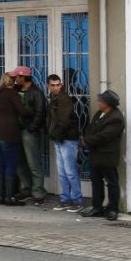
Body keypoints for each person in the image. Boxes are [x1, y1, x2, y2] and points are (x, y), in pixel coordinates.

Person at [80, 90, 125, 220]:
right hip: (95, 155)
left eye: (101, 101)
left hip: (107, 156)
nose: (98, 102)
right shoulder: (100, 113)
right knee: (96, 182)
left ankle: (112, 209)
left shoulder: (116, 117)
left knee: (112, 183)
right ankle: (97, 208)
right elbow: (91, 129)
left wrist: (87, 140)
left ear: (108, 103)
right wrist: (87, 137)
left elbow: (105, 136)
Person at [0, 72, 28, 206]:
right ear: (12, 81)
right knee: (11, 163)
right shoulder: (11, 93)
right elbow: (22, 111)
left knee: (0, 163)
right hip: (8, 132)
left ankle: (1, 195)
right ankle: (9, 197)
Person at [46, 73, 83, 211]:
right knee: (63, 172)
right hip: (61, 138)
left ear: (61, 84)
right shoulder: (54, 98)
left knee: (70, 171)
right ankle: (66, 199)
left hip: (67, 138)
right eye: (53, 85)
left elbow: (64, 121)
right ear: (48, 86)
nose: (56, 88)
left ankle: (77, 200)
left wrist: (56, 135)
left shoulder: (63, 99)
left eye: (58, 85)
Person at [12, 67, 48, 205]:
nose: (15, 79)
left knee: (34, 163)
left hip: (30, 131)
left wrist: (32, 128)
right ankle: (26, 189)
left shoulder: (36, 92)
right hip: (17, 130)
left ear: (23, 77)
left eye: (17, 77)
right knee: (20, 162)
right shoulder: (15, 90)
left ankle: (38, 192)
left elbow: (40, 112)